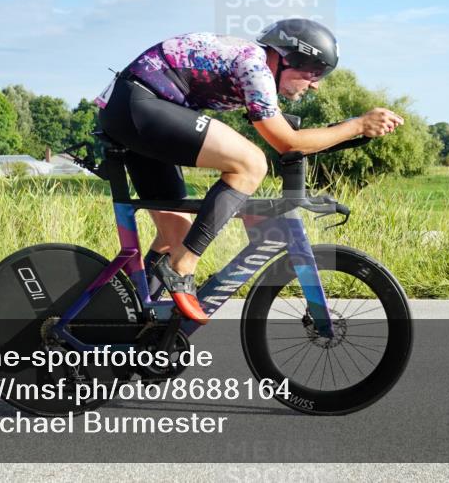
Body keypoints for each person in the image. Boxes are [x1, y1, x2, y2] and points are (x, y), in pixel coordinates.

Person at [95, 18, 404, 324]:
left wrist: (350, 129)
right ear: (289, 58)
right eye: (314, 72)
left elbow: (293, 139)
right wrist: (357, 125)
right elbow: (287, 142)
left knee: (175, 235)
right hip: (141, 105)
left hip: (135, 108)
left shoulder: (254, 67)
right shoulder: (254, 67)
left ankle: (124, 321)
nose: (316, 84)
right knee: (251, 163)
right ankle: (183, 266)